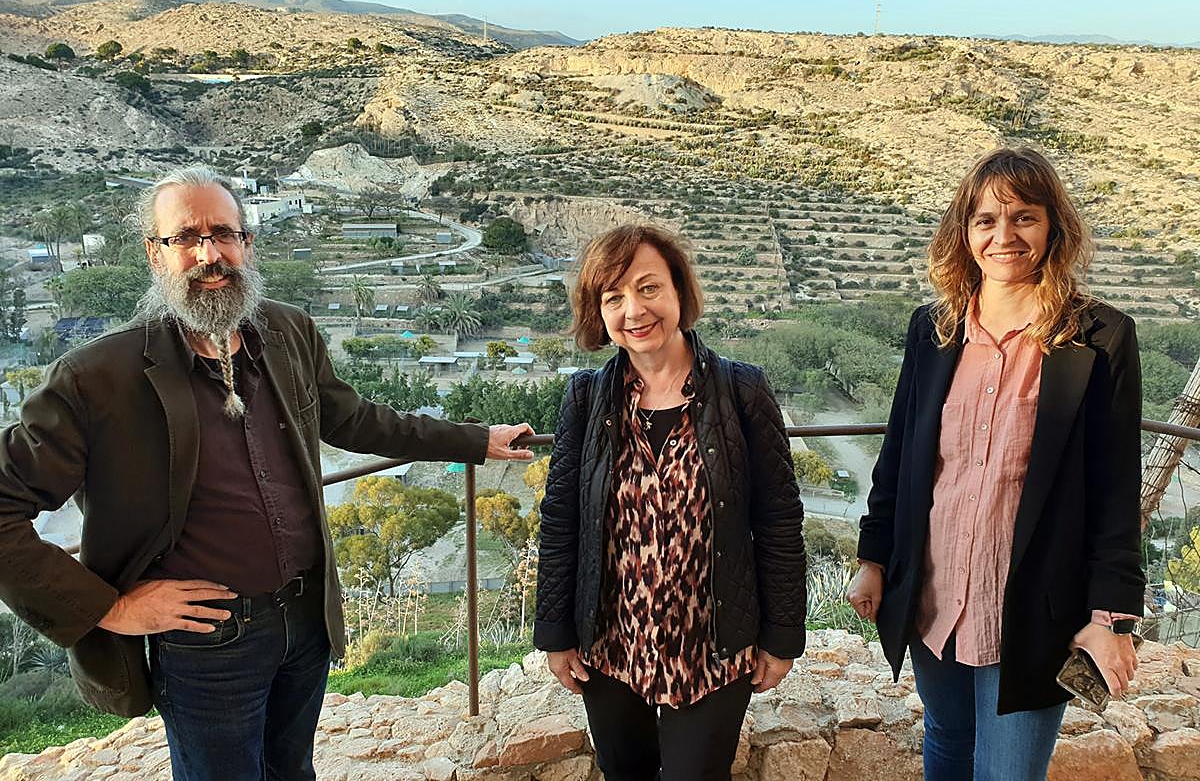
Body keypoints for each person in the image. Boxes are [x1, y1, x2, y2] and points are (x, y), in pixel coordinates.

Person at [0, 166, 535, 781]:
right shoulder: (97, 377)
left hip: (306, 622)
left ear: (247, 244)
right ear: (155, 253)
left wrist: (474, 441)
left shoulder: (287, 332)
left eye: (224, 233)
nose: (209, 254)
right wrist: (111, 609)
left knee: (293, 772)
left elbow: (356, 420)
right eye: (186, 237)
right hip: (208, 643)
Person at [847, 147, 1145, 781]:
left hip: (1033, 609)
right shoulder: (934, 329)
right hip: (932, 596)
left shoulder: (1099, 338)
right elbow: (899, 454)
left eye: (1024, 218)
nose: (1003, 236)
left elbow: (1115, 490)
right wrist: (874, 560)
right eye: (985, 220)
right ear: (965, 232)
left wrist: (1110, 616)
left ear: (1053, 227)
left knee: (1008, 773)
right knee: (947, 745)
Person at [534, 224, 806, 781]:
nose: (634, 309)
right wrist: (556, 634)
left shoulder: (741, 391)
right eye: (614, 297)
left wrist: (782, 637)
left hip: (713, 651)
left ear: (680, 292)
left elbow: (778, 521)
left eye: (648, 288)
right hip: (609, 650)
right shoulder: (587, 399)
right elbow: (562, 520)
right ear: (599, 313)